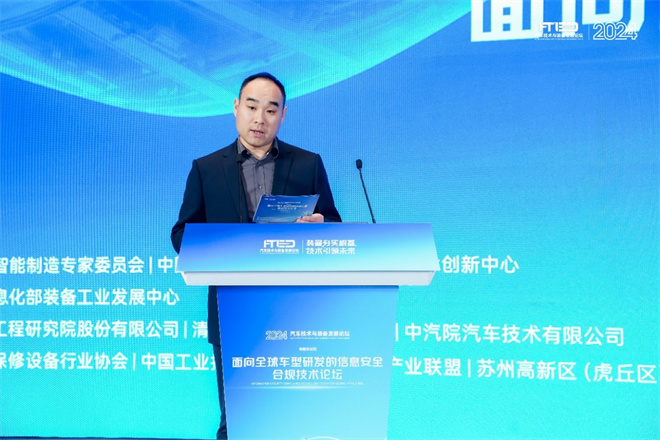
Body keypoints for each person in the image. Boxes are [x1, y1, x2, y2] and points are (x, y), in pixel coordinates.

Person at [170, 72, 341, 439]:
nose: (259, 119)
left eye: (270, 110)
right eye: (251, 107)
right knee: (236, 420)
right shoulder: (206, 168)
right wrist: (223, 246)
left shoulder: (308, 164)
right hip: (230, 306)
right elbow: (181, 234)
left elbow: (332, 223)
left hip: (293, 307)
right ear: (236, 108)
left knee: (291, 417)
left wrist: (319, 226)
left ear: (283, 115)